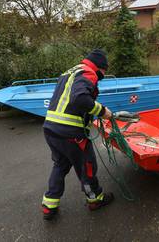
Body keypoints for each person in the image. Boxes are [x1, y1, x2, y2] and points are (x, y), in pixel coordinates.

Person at [41, 49, 114, 220]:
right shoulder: (89, 73)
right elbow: (79, 99)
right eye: (104, 71)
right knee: (87, 167)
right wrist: (102, 111)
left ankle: (49, 205)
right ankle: (95, 199)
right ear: (100, 67)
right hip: (71, 133)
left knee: (60, 165)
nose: (103, 75)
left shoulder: (70, 72)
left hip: (51, 128)